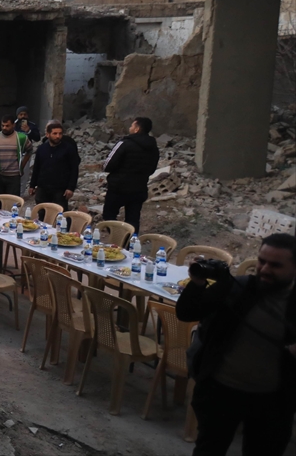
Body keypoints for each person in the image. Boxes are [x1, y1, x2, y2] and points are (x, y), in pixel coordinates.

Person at [177, 233, 296, 456]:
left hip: (272, 405)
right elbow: (187, 313)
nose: (265, 269)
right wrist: (197, 283)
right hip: (220, 394)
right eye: (262, 261)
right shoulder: (238, 288)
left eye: (276, 265)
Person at [102, 116, 159, 233]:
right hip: (139, 189)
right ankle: (130, 247)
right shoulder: (154, 148)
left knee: (109, 216)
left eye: (132, 125)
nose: (130, 128)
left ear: (137, 129)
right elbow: (152, 169)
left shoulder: (125, 143)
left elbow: (108, 165)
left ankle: (116, 240)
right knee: (133, 220)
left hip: (118, 188)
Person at [27, 120, 80, 210]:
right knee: (42, 214)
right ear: (48, 135)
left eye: (60, 134)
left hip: (60, 190)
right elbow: (37, 168)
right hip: (43, 188)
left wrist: (71, 188)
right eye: (54, 133)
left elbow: (74, 169)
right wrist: (32, 185)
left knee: (60, 215)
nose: (57, 136)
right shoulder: (42, 149)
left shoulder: (68, 149)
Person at [0, 114, 31, 196]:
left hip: (13, 176)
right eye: (2, 125)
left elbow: (29, 150)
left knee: (11, 202)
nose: (4, 128)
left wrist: (21, 167)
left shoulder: (21, 138)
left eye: (7, 126)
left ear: (13, 125)